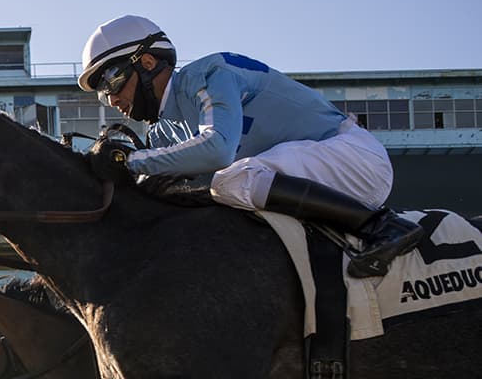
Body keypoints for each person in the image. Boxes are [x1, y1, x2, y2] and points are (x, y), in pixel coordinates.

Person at [77, 15, 422, 277]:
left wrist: (131, 160)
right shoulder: (164, 132)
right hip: (317, 179)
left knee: (231, 180)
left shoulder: (206, 75)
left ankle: (384, 226)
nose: (112, 99)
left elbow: (218, 149)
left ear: (148, 63)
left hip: (354, 160)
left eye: (112, 81)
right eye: (103, 94)